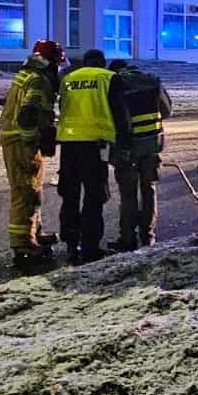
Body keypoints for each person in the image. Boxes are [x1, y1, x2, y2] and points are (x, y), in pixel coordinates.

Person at [55, 48, 130, 264]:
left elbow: (63, 106)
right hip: (95, 145)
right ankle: (90, 247)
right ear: (102, 63)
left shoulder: (69, 78)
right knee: (93, 196)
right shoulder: (108, 78)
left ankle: (71, 243)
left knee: (70, 194)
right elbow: (119, 112)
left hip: (69, 143)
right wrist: (123, 142)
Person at [0, 40, 62, 269]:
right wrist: (31, 141)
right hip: (21, 143)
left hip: (15, 139)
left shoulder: (25, 75)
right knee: (25, 192)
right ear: (49, 63)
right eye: (57, 64)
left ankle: (34, 232)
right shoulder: (38, 80)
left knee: (33, 190)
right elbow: (28, 115)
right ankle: (24, 244)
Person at [107, 59, 173, 251]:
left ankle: (128, 239)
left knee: (128, 194)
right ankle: (148, 236)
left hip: (127, 147)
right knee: (149, 189)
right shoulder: (152, 80)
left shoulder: (115, 83)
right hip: (152, 144)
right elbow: (166, 111)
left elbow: (112, 116)